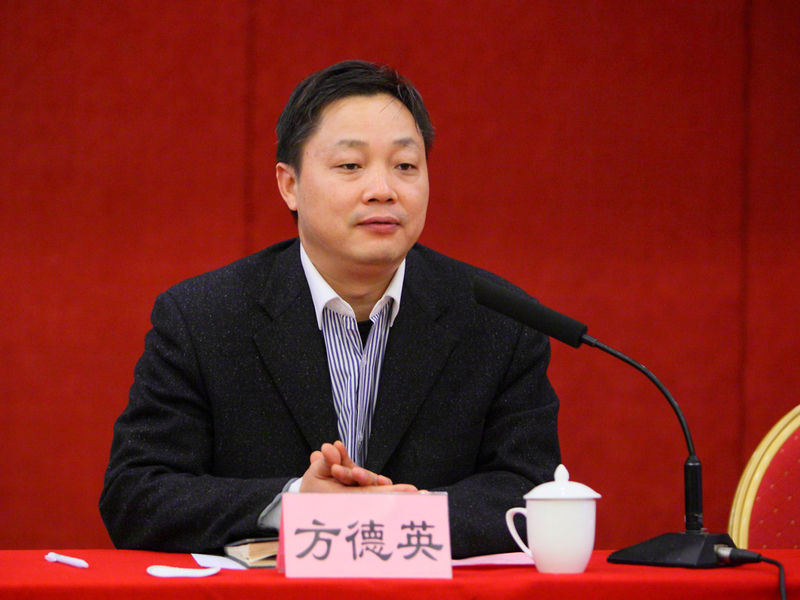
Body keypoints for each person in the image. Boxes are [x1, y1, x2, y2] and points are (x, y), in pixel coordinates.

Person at [99, 60, 560, 559]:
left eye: (405, 166)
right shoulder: (203, 317)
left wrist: (403, 516)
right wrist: (296, 503)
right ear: (289, 185)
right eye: (350, 166)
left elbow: (535, 491)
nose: (383, 189)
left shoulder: (500, 320)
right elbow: (136, 495)